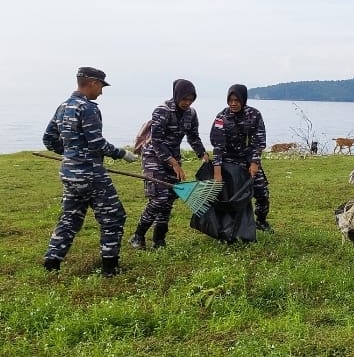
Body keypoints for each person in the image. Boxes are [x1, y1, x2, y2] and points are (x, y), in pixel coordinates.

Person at [42, 66, 139, 277]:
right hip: (91, 175)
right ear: (93, 83)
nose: (102, 92)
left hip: (69, 174)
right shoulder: (88, 108)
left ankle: (51, 264)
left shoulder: (63, 106)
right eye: (101, 86)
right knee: (114, 217)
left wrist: (71, 153)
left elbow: (48, 139)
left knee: (69, 219)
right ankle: (109, 268)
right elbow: (96, 143)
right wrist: (122, 154)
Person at [128, 79, 210, 249]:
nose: (187, 103)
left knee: (169, 199)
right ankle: (138, 236)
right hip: (153, 157)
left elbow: (193, 136)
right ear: (177, 95)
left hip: (174, 157)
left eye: (191, 99)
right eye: (184, 99)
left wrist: (203, 154)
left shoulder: (191, 114)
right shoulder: (162, 111)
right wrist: (174, 163)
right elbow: (157, 141)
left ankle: (159, 240)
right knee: (159, 199)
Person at [210, 84, 271, 232]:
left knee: (262, 192)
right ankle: (230, 226)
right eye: (230, 100)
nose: (233, 103)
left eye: (237, 100)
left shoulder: (254, 114)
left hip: (248, 158)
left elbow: (259, 141)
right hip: (228, 161)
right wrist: (217, 172)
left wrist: (255, 161)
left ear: (243, 100)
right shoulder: (221, 117)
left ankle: (261, 221)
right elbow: (217, 146)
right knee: (233, 195)